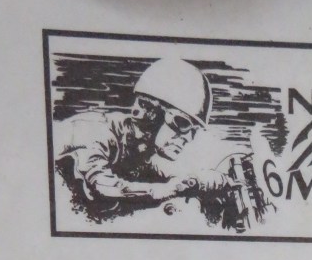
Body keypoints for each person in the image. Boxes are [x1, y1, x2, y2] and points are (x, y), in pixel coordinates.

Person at [54, 57, 215, 222]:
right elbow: (103, 186)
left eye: (195, 130)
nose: (188, 138)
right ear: (146, 108)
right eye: (183, 123)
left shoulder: (140, 150)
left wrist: (190, 182)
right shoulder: (93, 129)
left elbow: (159, 178)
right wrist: (166, 189)